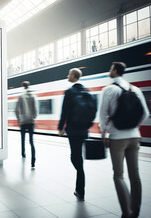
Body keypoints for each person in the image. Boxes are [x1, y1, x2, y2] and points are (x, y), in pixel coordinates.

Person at [99, 62, 150, 218]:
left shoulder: (108, 90)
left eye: (110, 69)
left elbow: (102, 116)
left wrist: (103, 134)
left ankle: (126, 212)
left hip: (117, 138)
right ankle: (136, 211)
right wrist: (135, 127)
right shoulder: (135, 89)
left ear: (115, 71)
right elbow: (145, 114)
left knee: (118, 175)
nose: (109, 71)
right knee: (135, 175)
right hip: (135, 137)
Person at [58, 68, 88, 201]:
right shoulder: (86, 91)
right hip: (83, 130)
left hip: (73, 130)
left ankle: (80, 187)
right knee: (78, 156)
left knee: (75, 157)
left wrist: (60, 128)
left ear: (74, 76)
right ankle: (79, 188)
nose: (67, 76)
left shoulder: (69, 92)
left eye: (69, 74)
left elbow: (64, 111)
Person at [15, 81, 37, 168]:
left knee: (23, 139)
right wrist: (33, 117)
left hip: (23, 122)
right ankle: (33, 160)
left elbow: (16, 110)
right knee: (31, 141)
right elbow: (35, 110)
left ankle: (23, 154)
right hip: (31, 121)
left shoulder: (21, 97)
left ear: (22, 86)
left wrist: (19, 119)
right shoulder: (33, 96)